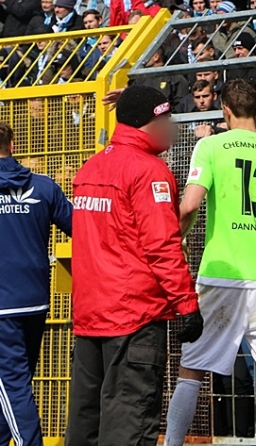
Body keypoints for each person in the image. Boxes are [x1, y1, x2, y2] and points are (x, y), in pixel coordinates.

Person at [66, 86, 202, 445]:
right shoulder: (150, 171)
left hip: (90, 316)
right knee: (130, 422)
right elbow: (162, 245)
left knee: (86, 424)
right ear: (152, 122)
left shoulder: (91, 167)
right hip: (134, 316)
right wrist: (186, 304)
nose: (172, 126)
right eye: (167, 118)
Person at [164, 79, 256, 446]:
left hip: (221, 271)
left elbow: (189, 204)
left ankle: (172, 444)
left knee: (191, 369)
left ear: (224, 109)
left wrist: (174, 240)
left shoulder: (210, 145)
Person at [0, 122, 72, 446]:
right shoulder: (43, 187)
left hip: (2, 303)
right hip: (35, 300)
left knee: (12, 385)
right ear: (12, 145)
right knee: (13, 382)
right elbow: (81, 228)